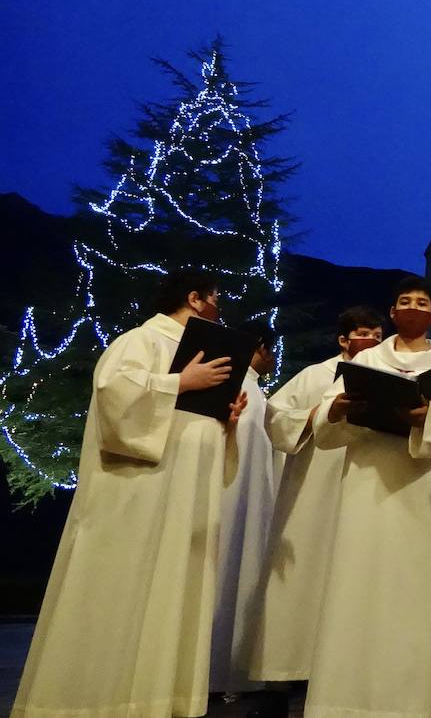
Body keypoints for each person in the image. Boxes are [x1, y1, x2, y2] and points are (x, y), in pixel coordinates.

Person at [14, 268, 247, 718]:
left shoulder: (203, 353)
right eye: (217, 297)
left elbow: (190, 425)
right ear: (195, 299)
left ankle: (159, 700)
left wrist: (224, 421)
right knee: (121, 593)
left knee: (172, 595)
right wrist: (179, 382)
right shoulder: (143, 341)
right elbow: (114, 394)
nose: (221, 307)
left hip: (183, 499)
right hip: (136, 498)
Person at [303, 276, 431, 718]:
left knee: (415, 592)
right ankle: (343, 699)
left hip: (424, 488)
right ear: (392, 312)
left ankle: (412, 701)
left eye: (422, 303)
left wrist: (426, 420)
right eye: (403, 302)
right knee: (358, 582)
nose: (412, 308)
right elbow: (328, 422)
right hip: (367, 484)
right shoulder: (369, 358)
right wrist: (334, 411)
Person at [249, 306, 384, 697]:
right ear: (343, 340)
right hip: (315, 489)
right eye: (363, 334)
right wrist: (320, 415)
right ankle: (284, 677)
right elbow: (274, 416)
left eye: (377, 335)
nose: (372, 342)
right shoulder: (316, 376)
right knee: (303, 581)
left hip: (365, 490)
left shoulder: (389, 380)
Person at [210, 324, 283, 696]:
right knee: (224, 577)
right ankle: (219, 673)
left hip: (249, 497)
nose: (271, 358)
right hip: (231, 496)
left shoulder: (254, 387)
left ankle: (230, 671)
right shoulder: (238, 385)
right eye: (268, 349)